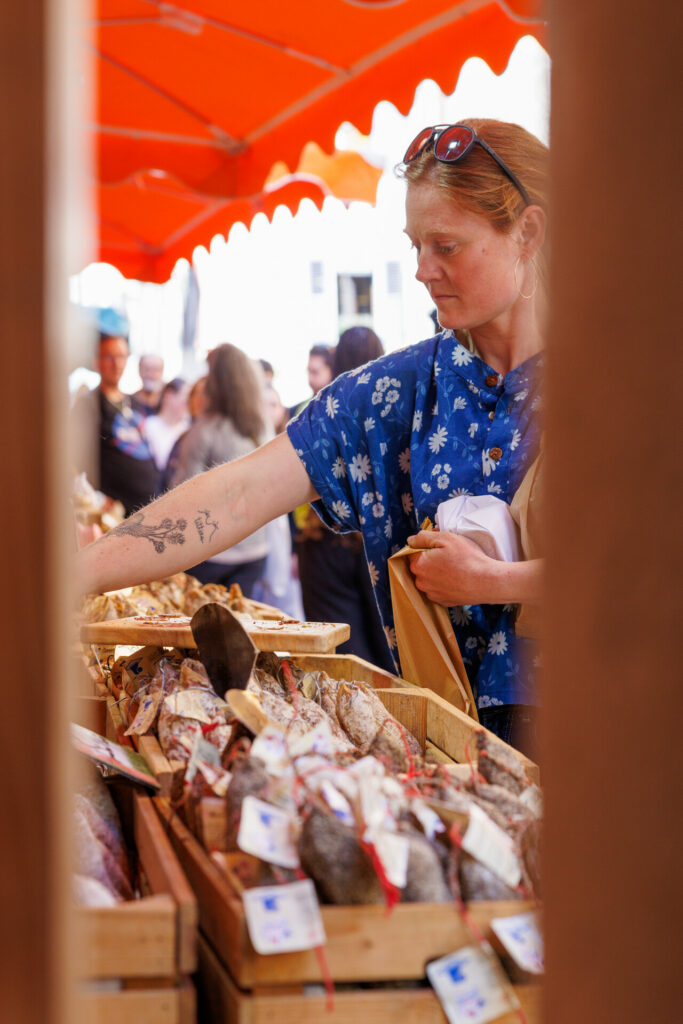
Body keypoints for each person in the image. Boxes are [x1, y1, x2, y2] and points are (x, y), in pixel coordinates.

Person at [78, 120, 547, 755]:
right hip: (456, 756)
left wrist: (496, 582)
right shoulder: (396, 389)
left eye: (446, 245)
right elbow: (238, 493)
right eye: (414, 246)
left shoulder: (625, 384)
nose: (422, 270)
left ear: (529, 234)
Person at [296, 327, 395, 672]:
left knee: (341, 656)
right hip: (380, 537)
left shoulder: (322, 413)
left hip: (326, 537)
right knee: (388, 652)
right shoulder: (395, 410)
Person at [167, 344, 269, 597]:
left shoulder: (203, 432)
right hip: (255, 550)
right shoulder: (259, 430)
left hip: (214, 553)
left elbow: (184, 498)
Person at [71, 329, 159, 517]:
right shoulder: (88, 404)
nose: (116, 364)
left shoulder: (134, 403)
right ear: (97, 361)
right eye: (109, 357)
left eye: (121, 357)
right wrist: (96, 499)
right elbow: (71, 458)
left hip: (147, 508)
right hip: (115, 517)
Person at [144, 378, 190, 474]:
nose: (188, 404)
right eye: (185, 399)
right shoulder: (148, 425)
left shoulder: (187, 428)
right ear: (168, 395)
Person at [289, 343, 335, 418]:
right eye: (309, 372)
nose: (310, 379)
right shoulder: (301, 409)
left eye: (315, 372)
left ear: (331, 370)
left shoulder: (339, 406)